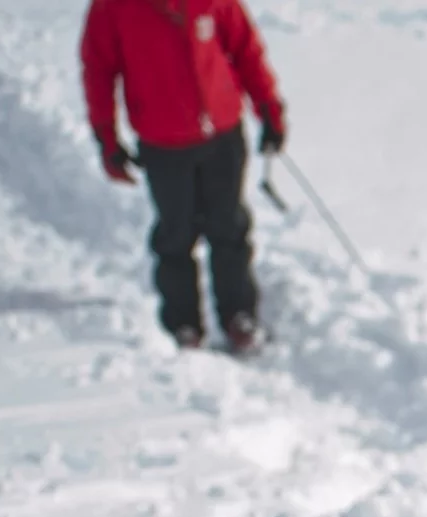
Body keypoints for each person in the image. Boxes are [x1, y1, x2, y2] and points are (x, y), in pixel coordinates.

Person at [79, 0, 286, 355]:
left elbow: (244, 47)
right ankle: (183, 325)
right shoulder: (112, 7)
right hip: (163, 142)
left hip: (223, 134)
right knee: (176, 234)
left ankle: (239, 316)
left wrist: (268, 109)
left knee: (229, 227)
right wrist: (107, 138)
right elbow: (98, 70)